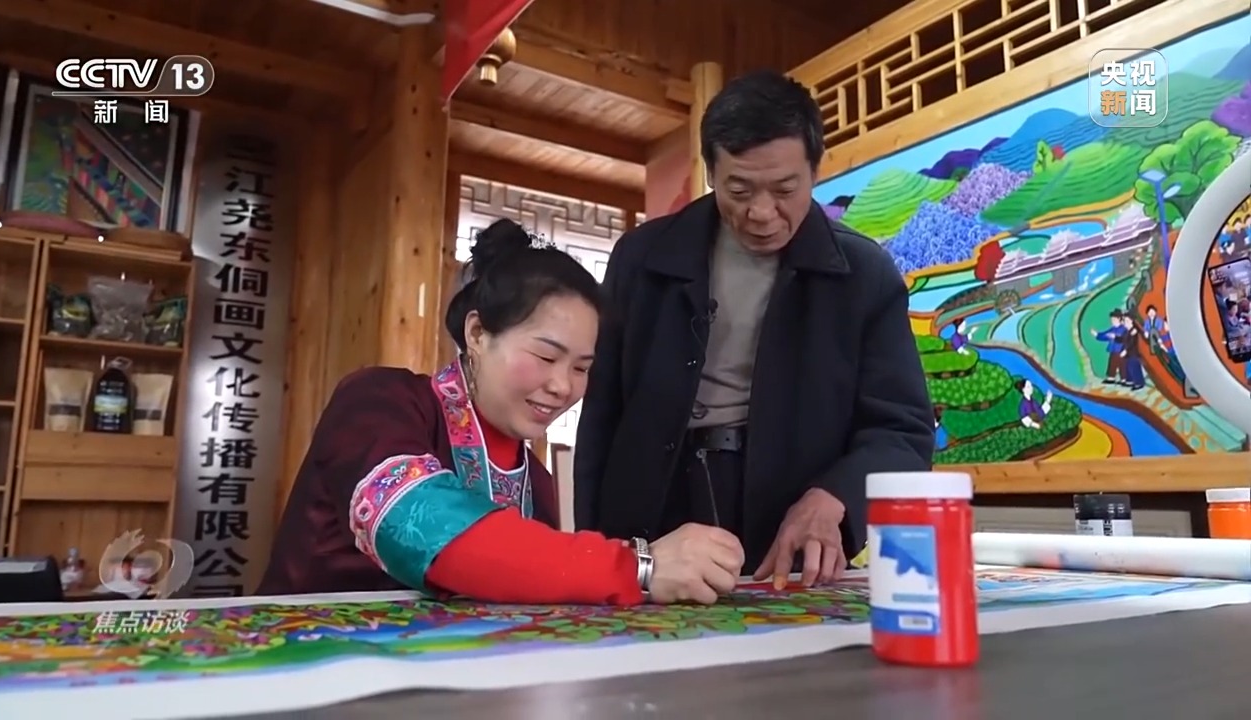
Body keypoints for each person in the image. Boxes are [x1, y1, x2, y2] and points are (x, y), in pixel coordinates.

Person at [573, 70, 935, 592]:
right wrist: (596, 550)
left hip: (788, 522)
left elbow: (903, 431)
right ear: (711, 173)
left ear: (815, 170)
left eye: (785, 189)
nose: (762, 213)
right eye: (738, 189)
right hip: (654, 514)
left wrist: (834, 497)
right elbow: (602, 415)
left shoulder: (863, 275)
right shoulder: (643, 256)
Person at [260, 219, 744, 605]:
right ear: (477, 333)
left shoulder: (537, 482)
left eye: (581, 367)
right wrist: (638, 567)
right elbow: (422, 526)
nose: (563, 386)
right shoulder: (378, 403)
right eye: (546, 356)